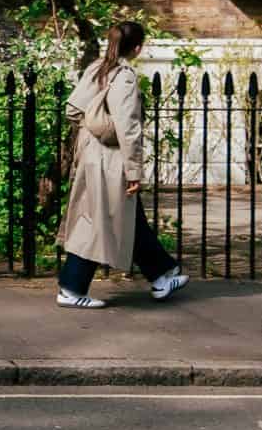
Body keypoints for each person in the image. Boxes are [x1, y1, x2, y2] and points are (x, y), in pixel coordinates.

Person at [53, 21, 187, 308]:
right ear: (137, 47)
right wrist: (134, 170)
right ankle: (72, 289)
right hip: (111, 159)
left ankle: (162, 276)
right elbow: (128, 128)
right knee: (99, 220)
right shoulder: (123, 76)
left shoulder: (96, 68)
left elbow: (73, 109)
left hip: (91, 155)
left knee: (125, 218)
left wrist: (93, 128)